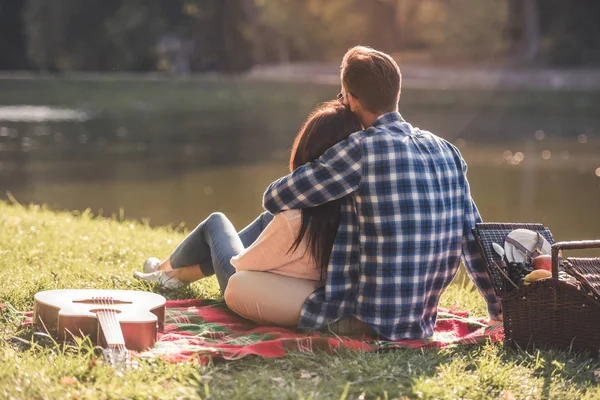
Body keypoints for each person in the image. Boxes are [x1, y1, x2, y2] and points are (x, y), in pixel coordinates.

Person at [261, 46, 502, 340]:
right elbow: (475, 238)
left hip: (364, 323)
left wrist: (318, 157)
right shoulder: (447, 150)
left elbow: (275, 198)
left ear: (350, 99)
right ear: (397, 93)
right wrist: (499, 310)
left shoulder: (360, 149)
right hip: (421, 323)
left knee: (245, 279)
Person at [134, 101, 376, 335]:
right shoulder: (361, 206)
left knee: (215, 222)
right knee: (264, 220)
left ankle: (166, 269)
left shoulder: (297, 216)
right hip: (313, 285)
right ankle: (171, 274)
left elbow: (242, 265)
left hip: (268, 288)